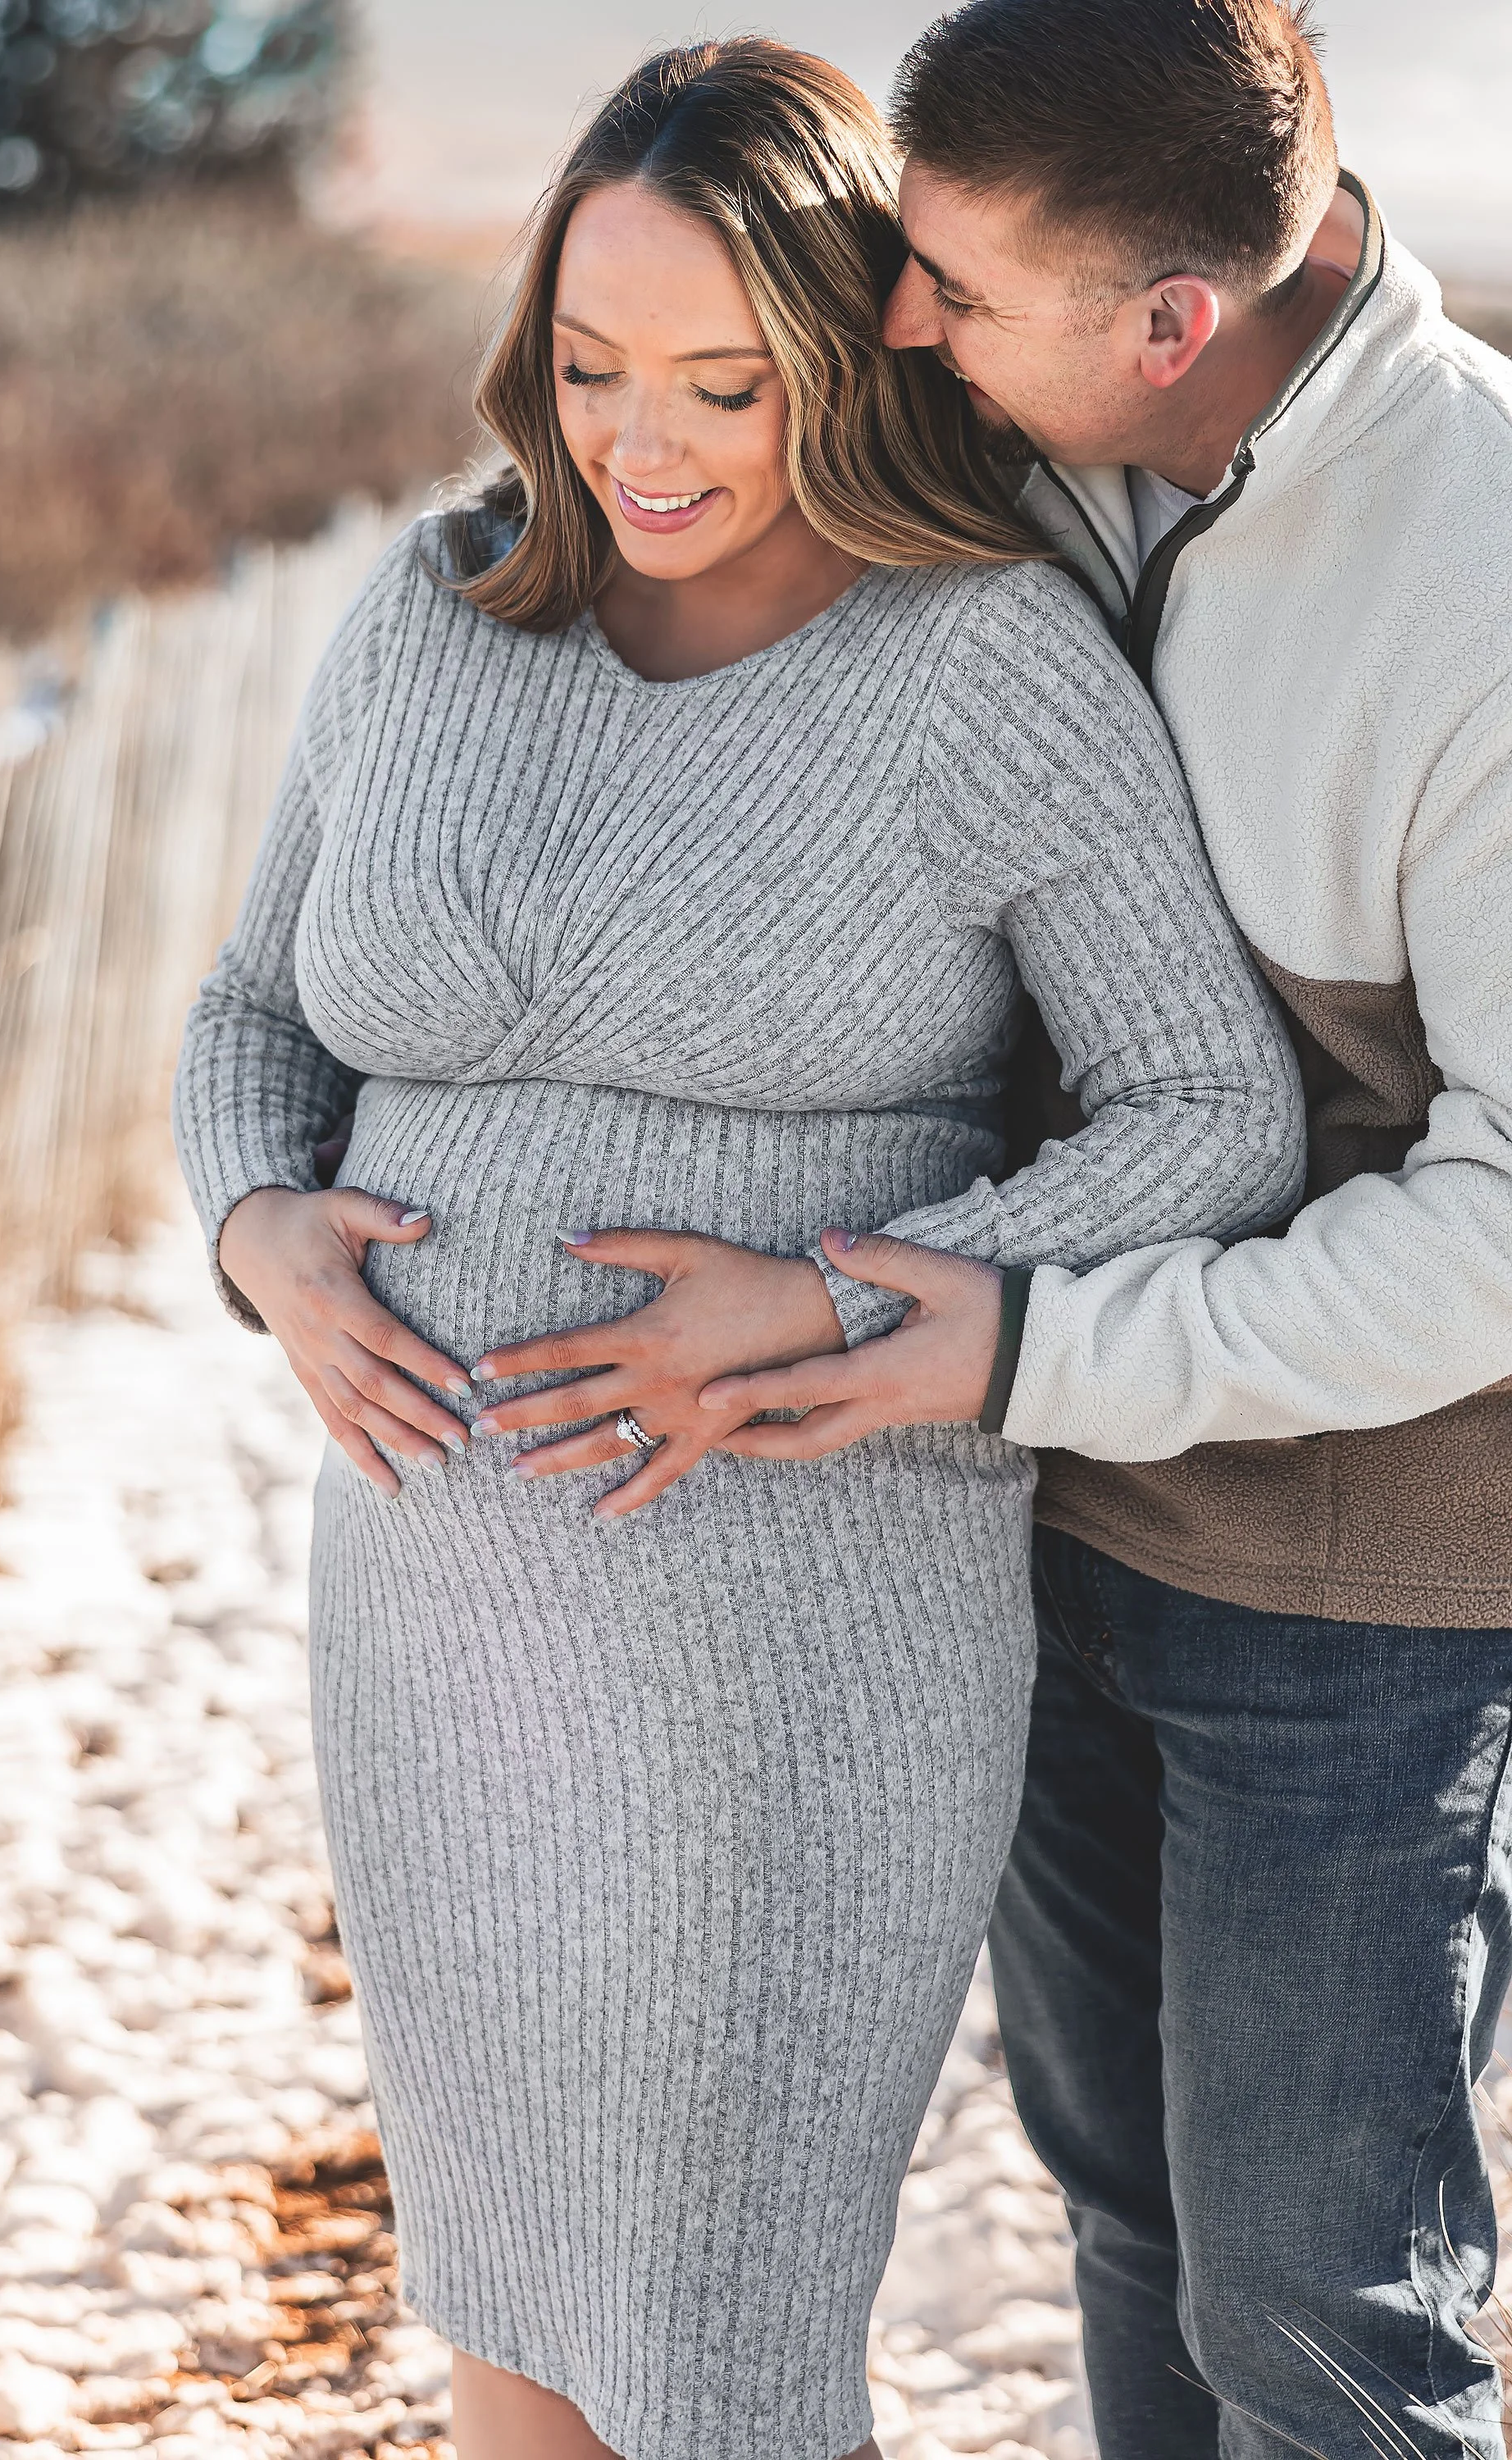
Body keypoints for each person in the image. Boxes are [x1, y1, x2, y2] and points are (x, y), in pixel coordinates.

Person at [171, 37, 1302, 2460]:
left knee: (717, 2356)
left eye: (720, 378)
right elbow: (254, 1009)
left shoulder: (983, 662)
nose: (641, 441)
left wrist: (837, 1294)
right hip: (434, 1618)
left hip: (797, 1629)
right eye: (590, 368)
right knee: (508, 2318)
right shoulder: (442, 598)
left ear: (848, 351)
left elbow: (1208, 1116)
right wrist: (261, 1233)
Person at [694, 3, 1512, 2454]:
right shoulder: (1037, 430)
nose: (904, 329)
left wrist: (1028, 1342)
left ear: (1175, 321)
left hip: (1365, 1596)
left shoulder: (1477, 593)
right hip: (1034, 1525)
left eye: (955, 285)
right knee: (1127, 2206)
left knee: (1321, 2309)